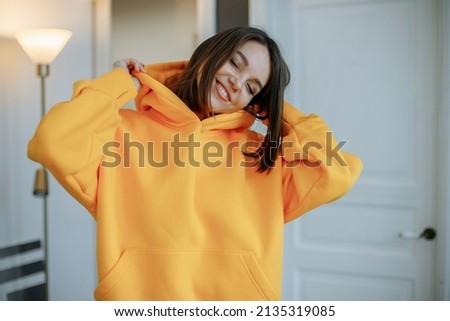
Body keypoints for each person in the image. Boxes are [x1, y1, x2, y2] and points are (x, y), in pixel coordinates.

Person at [28, 26, 362, 300]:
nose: (235, 82)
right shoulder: (121, 132)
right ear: (208, 53)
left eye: (251, 86)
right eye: (234, 63)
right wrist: (120, 82)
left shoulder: (264, 155)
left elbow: (336, 170)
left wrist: (276, 110)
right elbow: (53, 141)